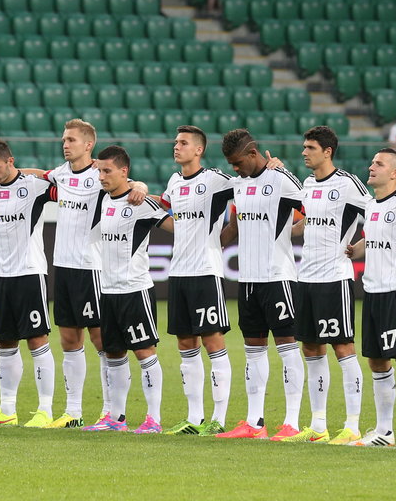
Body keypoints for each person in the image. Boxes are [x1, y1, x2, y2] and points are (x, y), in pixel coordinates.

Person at [18, 119, 148, 429]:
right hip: (63, 267)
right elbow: (39, 176)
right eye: (64, 139)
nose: (65, 144)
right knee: (68, 339)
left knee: (102, 339)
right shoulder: (60, 175)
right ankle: (73, 412)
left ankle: (110, 411)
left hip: (92, 267)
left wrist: (141, 186)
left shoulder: (101, 175)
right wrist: (5, 176)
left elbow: (133, 187)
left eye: (71, 140)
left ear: (88, 145)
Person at [218, 129, 306, 442]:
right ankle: (255, 423)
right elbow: (234, 226)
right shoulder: (238, 185)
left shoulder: (280, 179)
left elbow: (316, 210)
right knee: (253, 352)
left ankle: (292, 423)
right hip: (248, 281)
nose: (235, 168)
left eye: (238, 162)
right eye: (231, 164)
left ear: (253, 153)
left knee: (287, 349)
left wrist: (292, 230)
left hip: (278, 278)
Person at [284, 126, 370, 444]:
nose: (304, 152)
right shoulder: (308, 184)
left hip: (335, 278)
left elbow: (376, 213)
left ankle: (352, 426)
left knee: (343, 347)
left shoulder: (347, 184)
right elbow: (310, 221)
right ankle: (318, 426)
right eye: (304, 147)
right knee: (311, 348)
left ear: (327, 151)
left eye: (310, 147)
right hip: (306, 278)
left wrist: (359, 246)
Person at [82, 146, 173, 434]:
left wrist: (142, 188)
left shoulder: (141, 203)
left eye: (107, 171)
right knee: (114, 355)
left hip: (135, 290)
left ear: (124, 171)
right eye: (99, 170)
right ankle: (116, 418)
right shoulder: (101, 200)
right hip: (108, 291)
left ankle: (153, 419)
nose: (101, 176)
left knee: (144, 352)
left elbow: (177, 225)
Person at [156, 126, 235, 437]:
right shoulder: (175, 182)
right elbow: (160, 207)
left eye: (184, 143)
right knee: (185, 345)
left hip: (205, 271)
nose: (177, 147)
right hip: (179, 274)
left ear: (199, 150)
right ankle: (195, 417)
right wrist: (133, 187)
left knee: (213, 343)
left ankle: (219, 417)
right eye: (176, 142)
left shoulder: (215, 179)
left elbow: (246, 188)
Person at [0, 139, 58, 428]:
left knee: (37, 340)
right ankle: (7, 410)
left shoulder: (34, 187)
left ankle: (45, 410)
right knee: (5, 342)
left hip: (30, 274)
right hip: (1, 276)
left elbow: (60, 179)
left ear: (10, 162)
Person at [345, 148, 396, 448]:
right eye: (372, 162)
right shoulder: (369, 204)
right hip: (372, 292)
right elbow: (377, 238)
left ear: (395, 173)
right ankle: (384, 431)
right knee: (377, 361)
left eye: (379, 163)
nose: (371, 166)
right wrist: (357, 249)